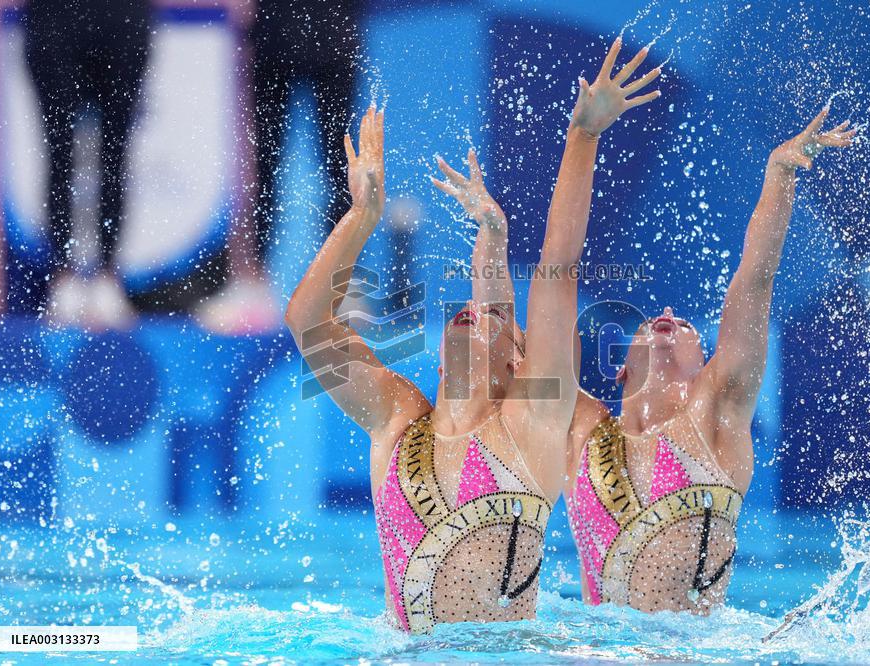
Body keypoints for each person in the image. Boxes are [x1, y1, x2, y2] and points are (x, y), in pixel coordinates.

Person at [283, 38, 661, 632]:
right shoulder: (397, 418)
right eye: (476, 309)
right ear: (436, 362)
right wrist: (361, 218)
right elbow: (308, 325)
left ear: (518, 370)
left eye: (494, 321)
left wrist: (582, 137)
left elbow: (558, 265)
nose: (475, 311)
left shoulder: (532, 423)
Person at [566, 107, 857, 613]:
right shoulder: (581, 429)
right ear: (619, 368)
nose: (668, 314)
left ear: (708, 364)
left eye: (687, 326)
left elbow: (755, 279)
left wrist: (780, 173)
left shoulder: (715, 412)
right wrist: (582, 137)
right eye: (652, 321)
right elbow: (558, 271)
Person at [196, 0, 363, 333]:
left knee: (341, 169)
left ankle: (341, 286)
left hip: (333, 34)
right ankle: (251, 282)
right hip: (273, 34)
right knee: (262, 169)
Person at [24, 0, 152, 328]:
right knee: (59, 150)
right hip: (55, 15)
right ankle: (63, 277)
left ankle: (107, 275)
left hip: (122, 15)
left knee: (115, 153)